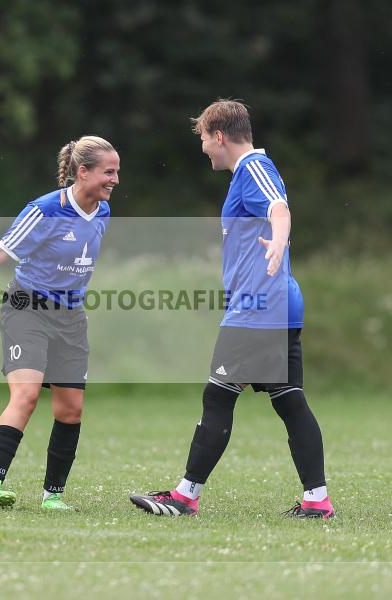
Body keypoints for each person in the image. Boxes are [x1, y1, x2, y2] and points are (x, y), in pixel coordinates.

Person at [129, 100, 334, 518]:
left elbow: (279, 208)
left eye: (204, 139)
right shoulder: (247, 173)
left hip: (258, 309)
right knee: (290, 400)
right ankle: (317, 500)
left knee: (217, 396)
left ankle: (185, 496)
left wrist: (278, 241)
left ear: (219, 136)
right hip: (276, 304)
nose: (204, 147)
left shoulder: (254, 168)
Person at [0, 135, 118, 511]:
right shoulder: (44, 209)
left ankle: (53, 496)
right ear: (83, 171)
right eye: (108, 172)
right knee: (26, 395)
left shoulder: (104, 212)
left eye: (117, 172)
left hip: (71, 318)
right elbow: (1, 250)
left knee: (70, 409)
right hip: (26, 309)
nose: (115, 180)